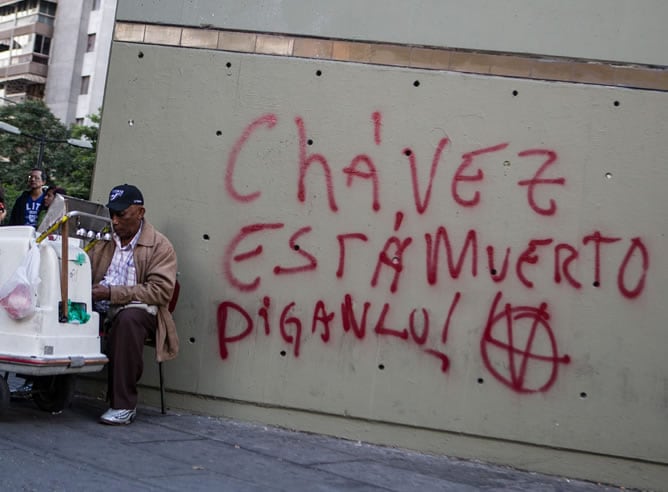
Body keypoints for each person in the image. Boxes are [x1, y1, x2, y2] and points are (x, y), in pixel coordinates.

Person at [88, 184, 179, 425]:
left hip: (139, 310)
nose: (115, 221)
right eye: (112, 214)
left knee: (128, 321)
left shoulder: (160, 245)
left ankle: (123, 405)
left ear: (140, 212)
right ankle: (42, 387)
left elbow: (160, 291)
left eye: (121, 214)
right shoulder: (101, 237)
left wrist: (112, 293)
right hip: (98, 302)